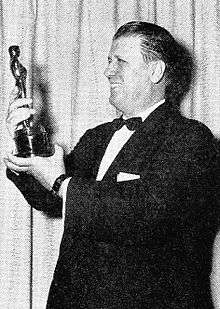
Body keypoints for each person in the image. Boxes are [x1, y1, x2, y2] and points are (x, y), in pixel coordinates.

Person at [4, 21, 219, 308]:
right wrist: (24, 138)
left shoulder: (191, 139)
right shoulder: (98, 137)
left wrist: (60, 181)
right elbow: (51, 199)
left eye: (120, 62)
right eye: (108, 61)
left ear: (155, 71)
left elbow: (146, 211)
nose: (108, 71)